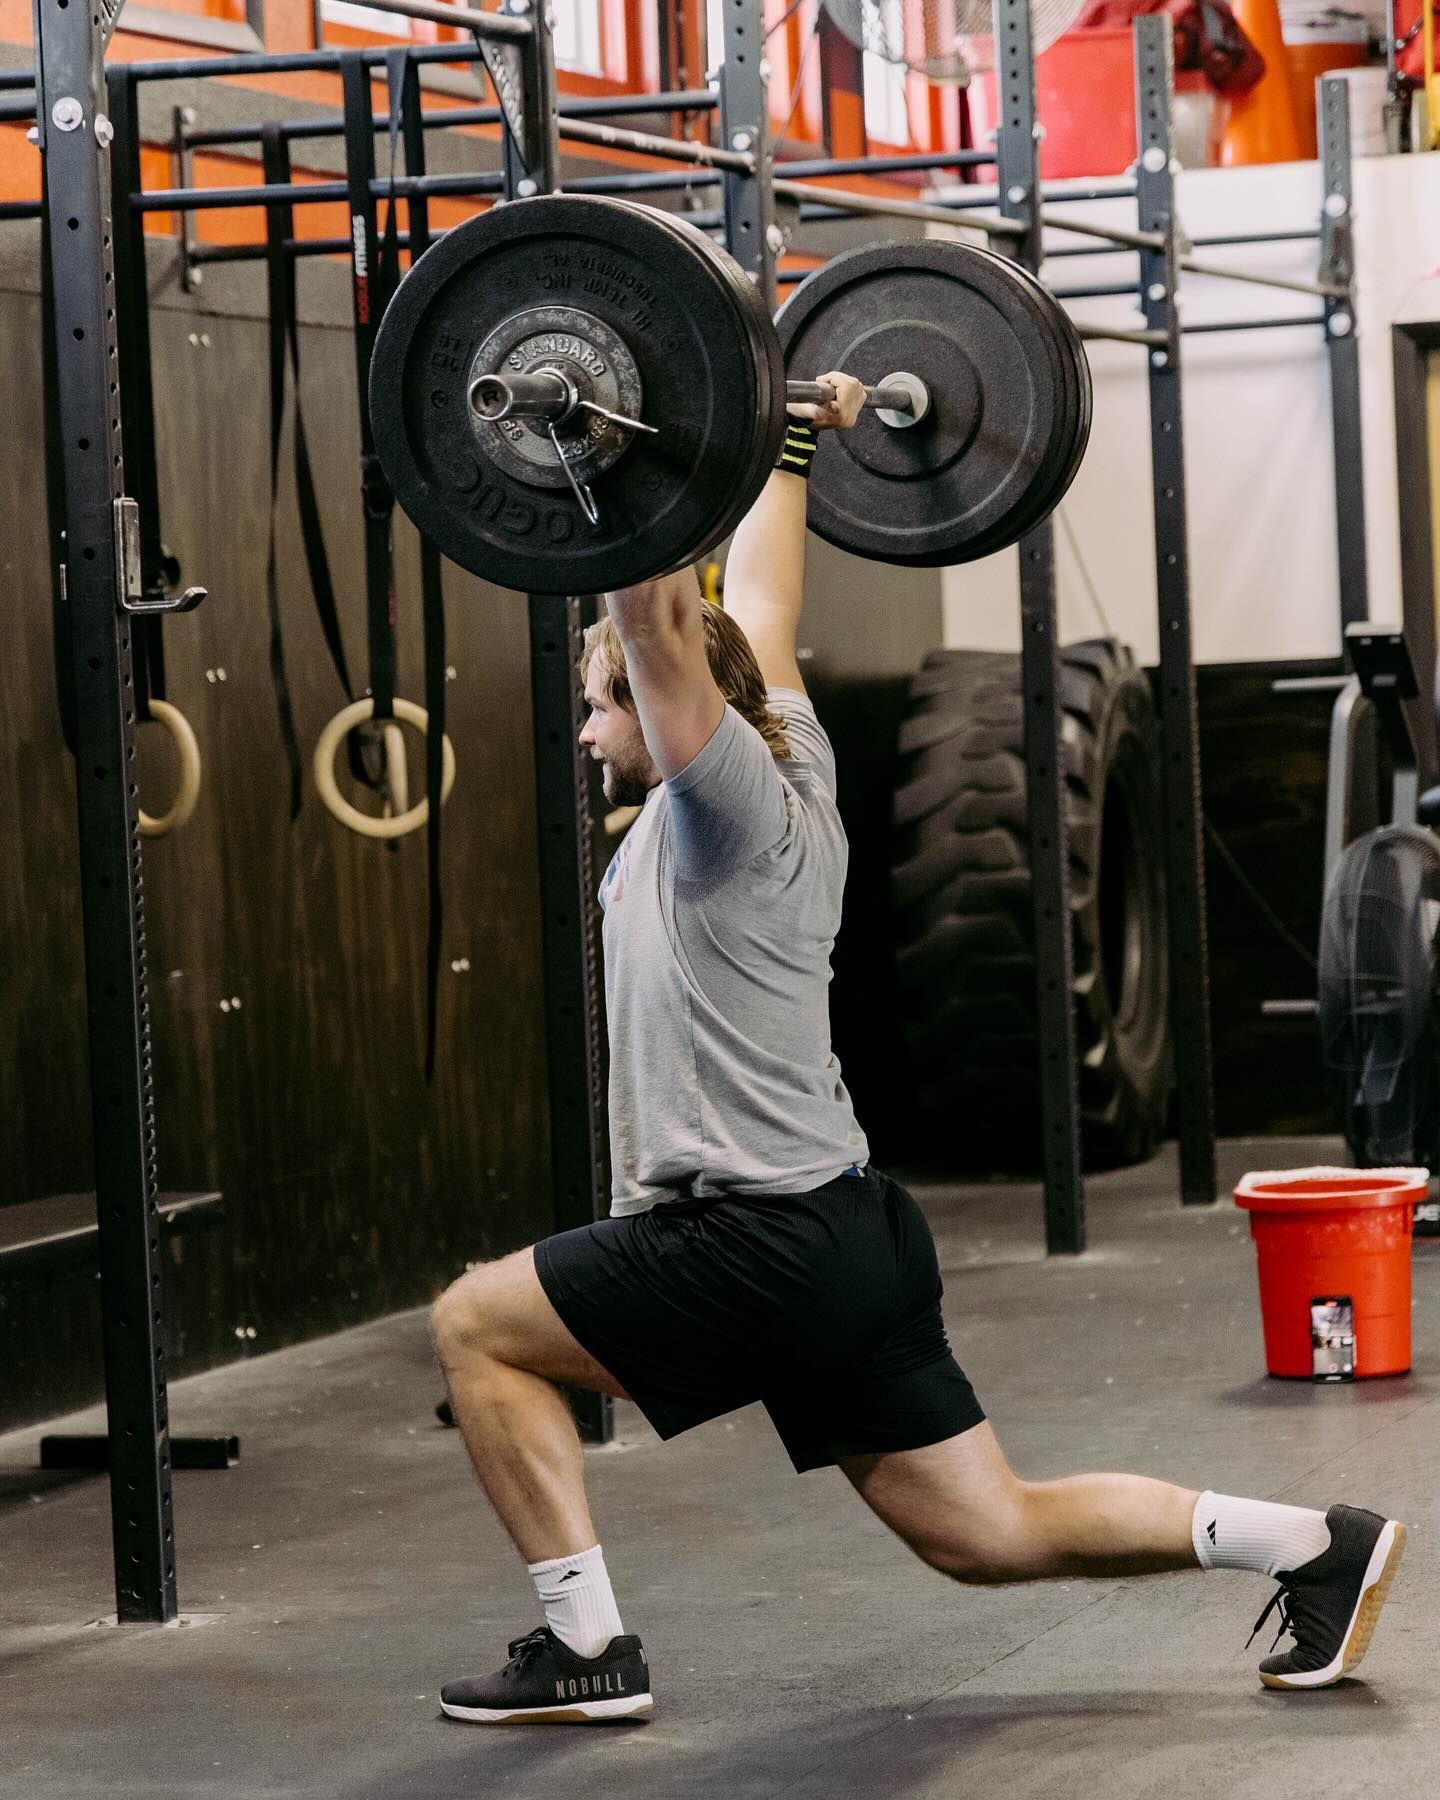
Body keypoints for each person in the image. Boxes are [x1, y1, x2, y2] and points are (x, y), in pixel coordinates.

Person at [430, 375, 1405, 1725]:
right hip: (848, 1228)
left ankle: (584, 1646)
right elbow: (752, 609)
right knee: (983, 1531)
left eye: (601, 707)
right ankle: (1310, 1542)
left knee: (477, 1325)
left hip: (750, 1237)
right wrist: (778, 430)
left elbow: (660, 615)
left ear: (672, 717)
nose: (589, 727)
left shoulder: (720, 809)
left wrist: (616, 437)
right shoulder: (793, 748)